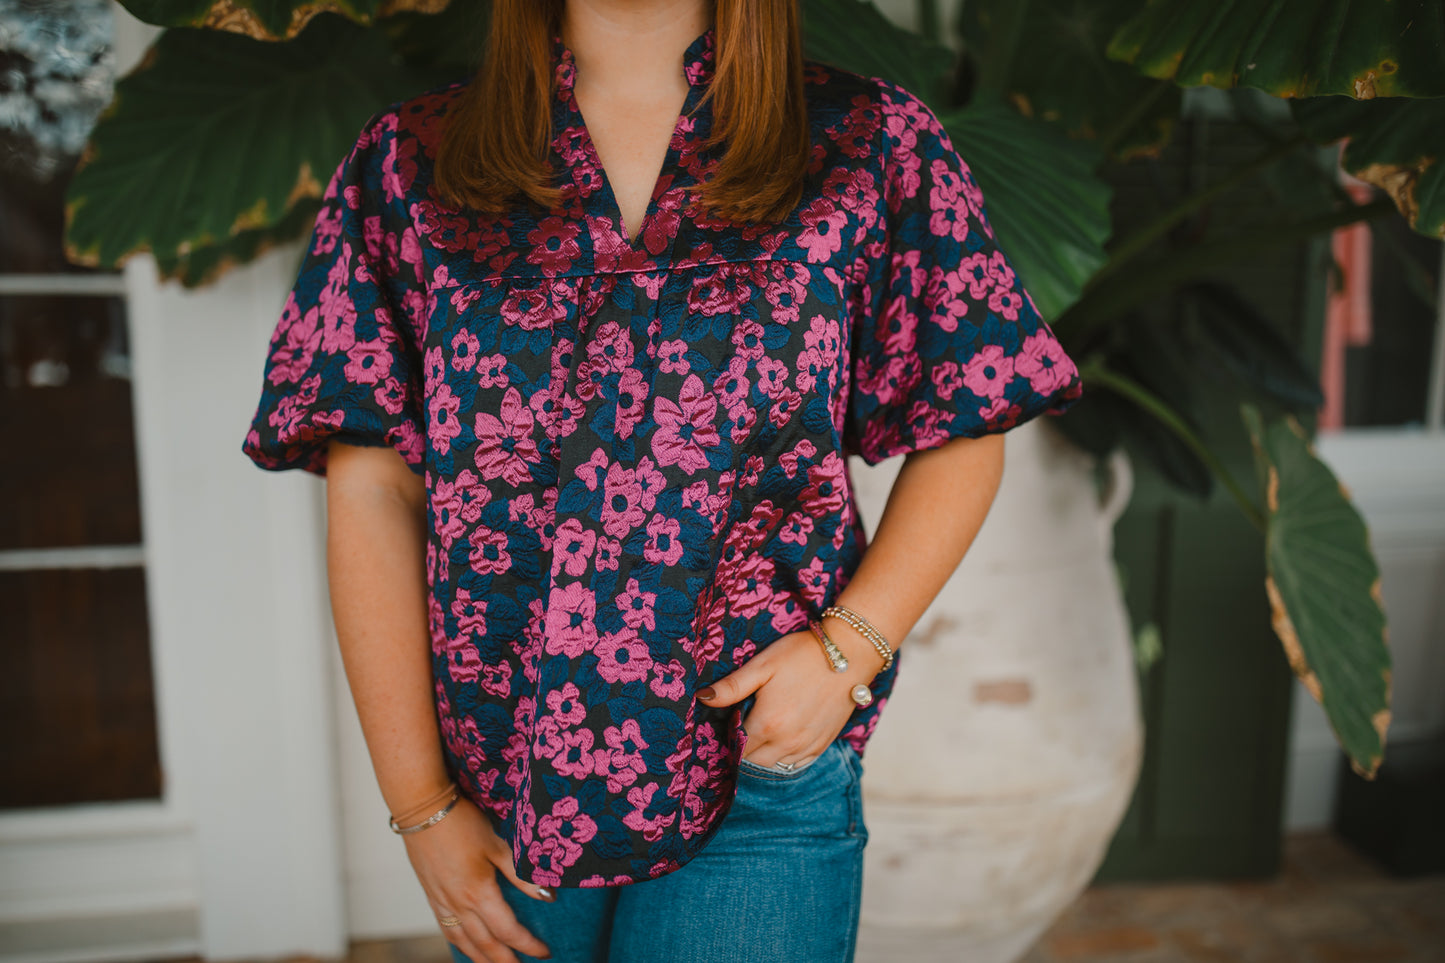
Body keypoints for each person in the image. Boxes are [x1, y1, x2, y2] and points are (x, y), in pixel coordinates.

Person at [240, 0, 1084, 960]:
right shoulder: (408, 162)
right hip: (509, 785)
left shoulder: (866, 142)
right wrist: (419, 808)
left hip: (756, 771)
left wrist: (846, 650)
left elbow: (968, 413)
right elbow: (371, 488)